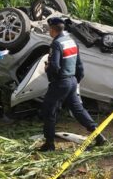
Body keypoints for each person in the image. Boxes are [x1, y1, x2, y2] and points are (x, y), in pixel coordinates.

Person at [39, 17, 106, 152]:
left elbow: (55, 66)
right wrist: (76, 80)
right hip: (72, 81)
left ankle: (49, 144)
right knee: (78, 110)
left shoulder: (56, 44)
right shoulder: (71, 41)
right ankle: (98, 135)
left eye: (49, 30)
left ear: (52, 30)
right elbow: (79, 64)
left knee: (49, 111)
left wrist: (48, 69)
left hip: (60, 82)